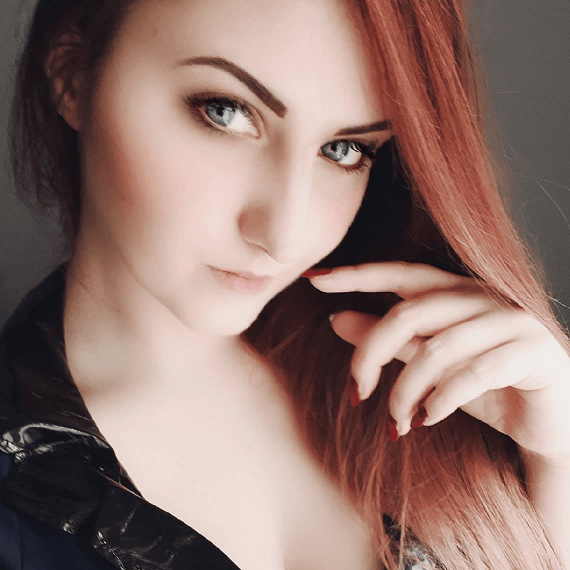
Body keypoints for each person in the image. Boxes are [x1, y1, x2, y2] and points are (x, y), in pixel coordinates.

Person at [1, 0, 569, 569]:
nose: (284, 233)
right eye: (225, 112)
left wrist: (556, 459)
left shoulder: (441, 395)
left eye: (344, 150)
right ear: (72, 74)